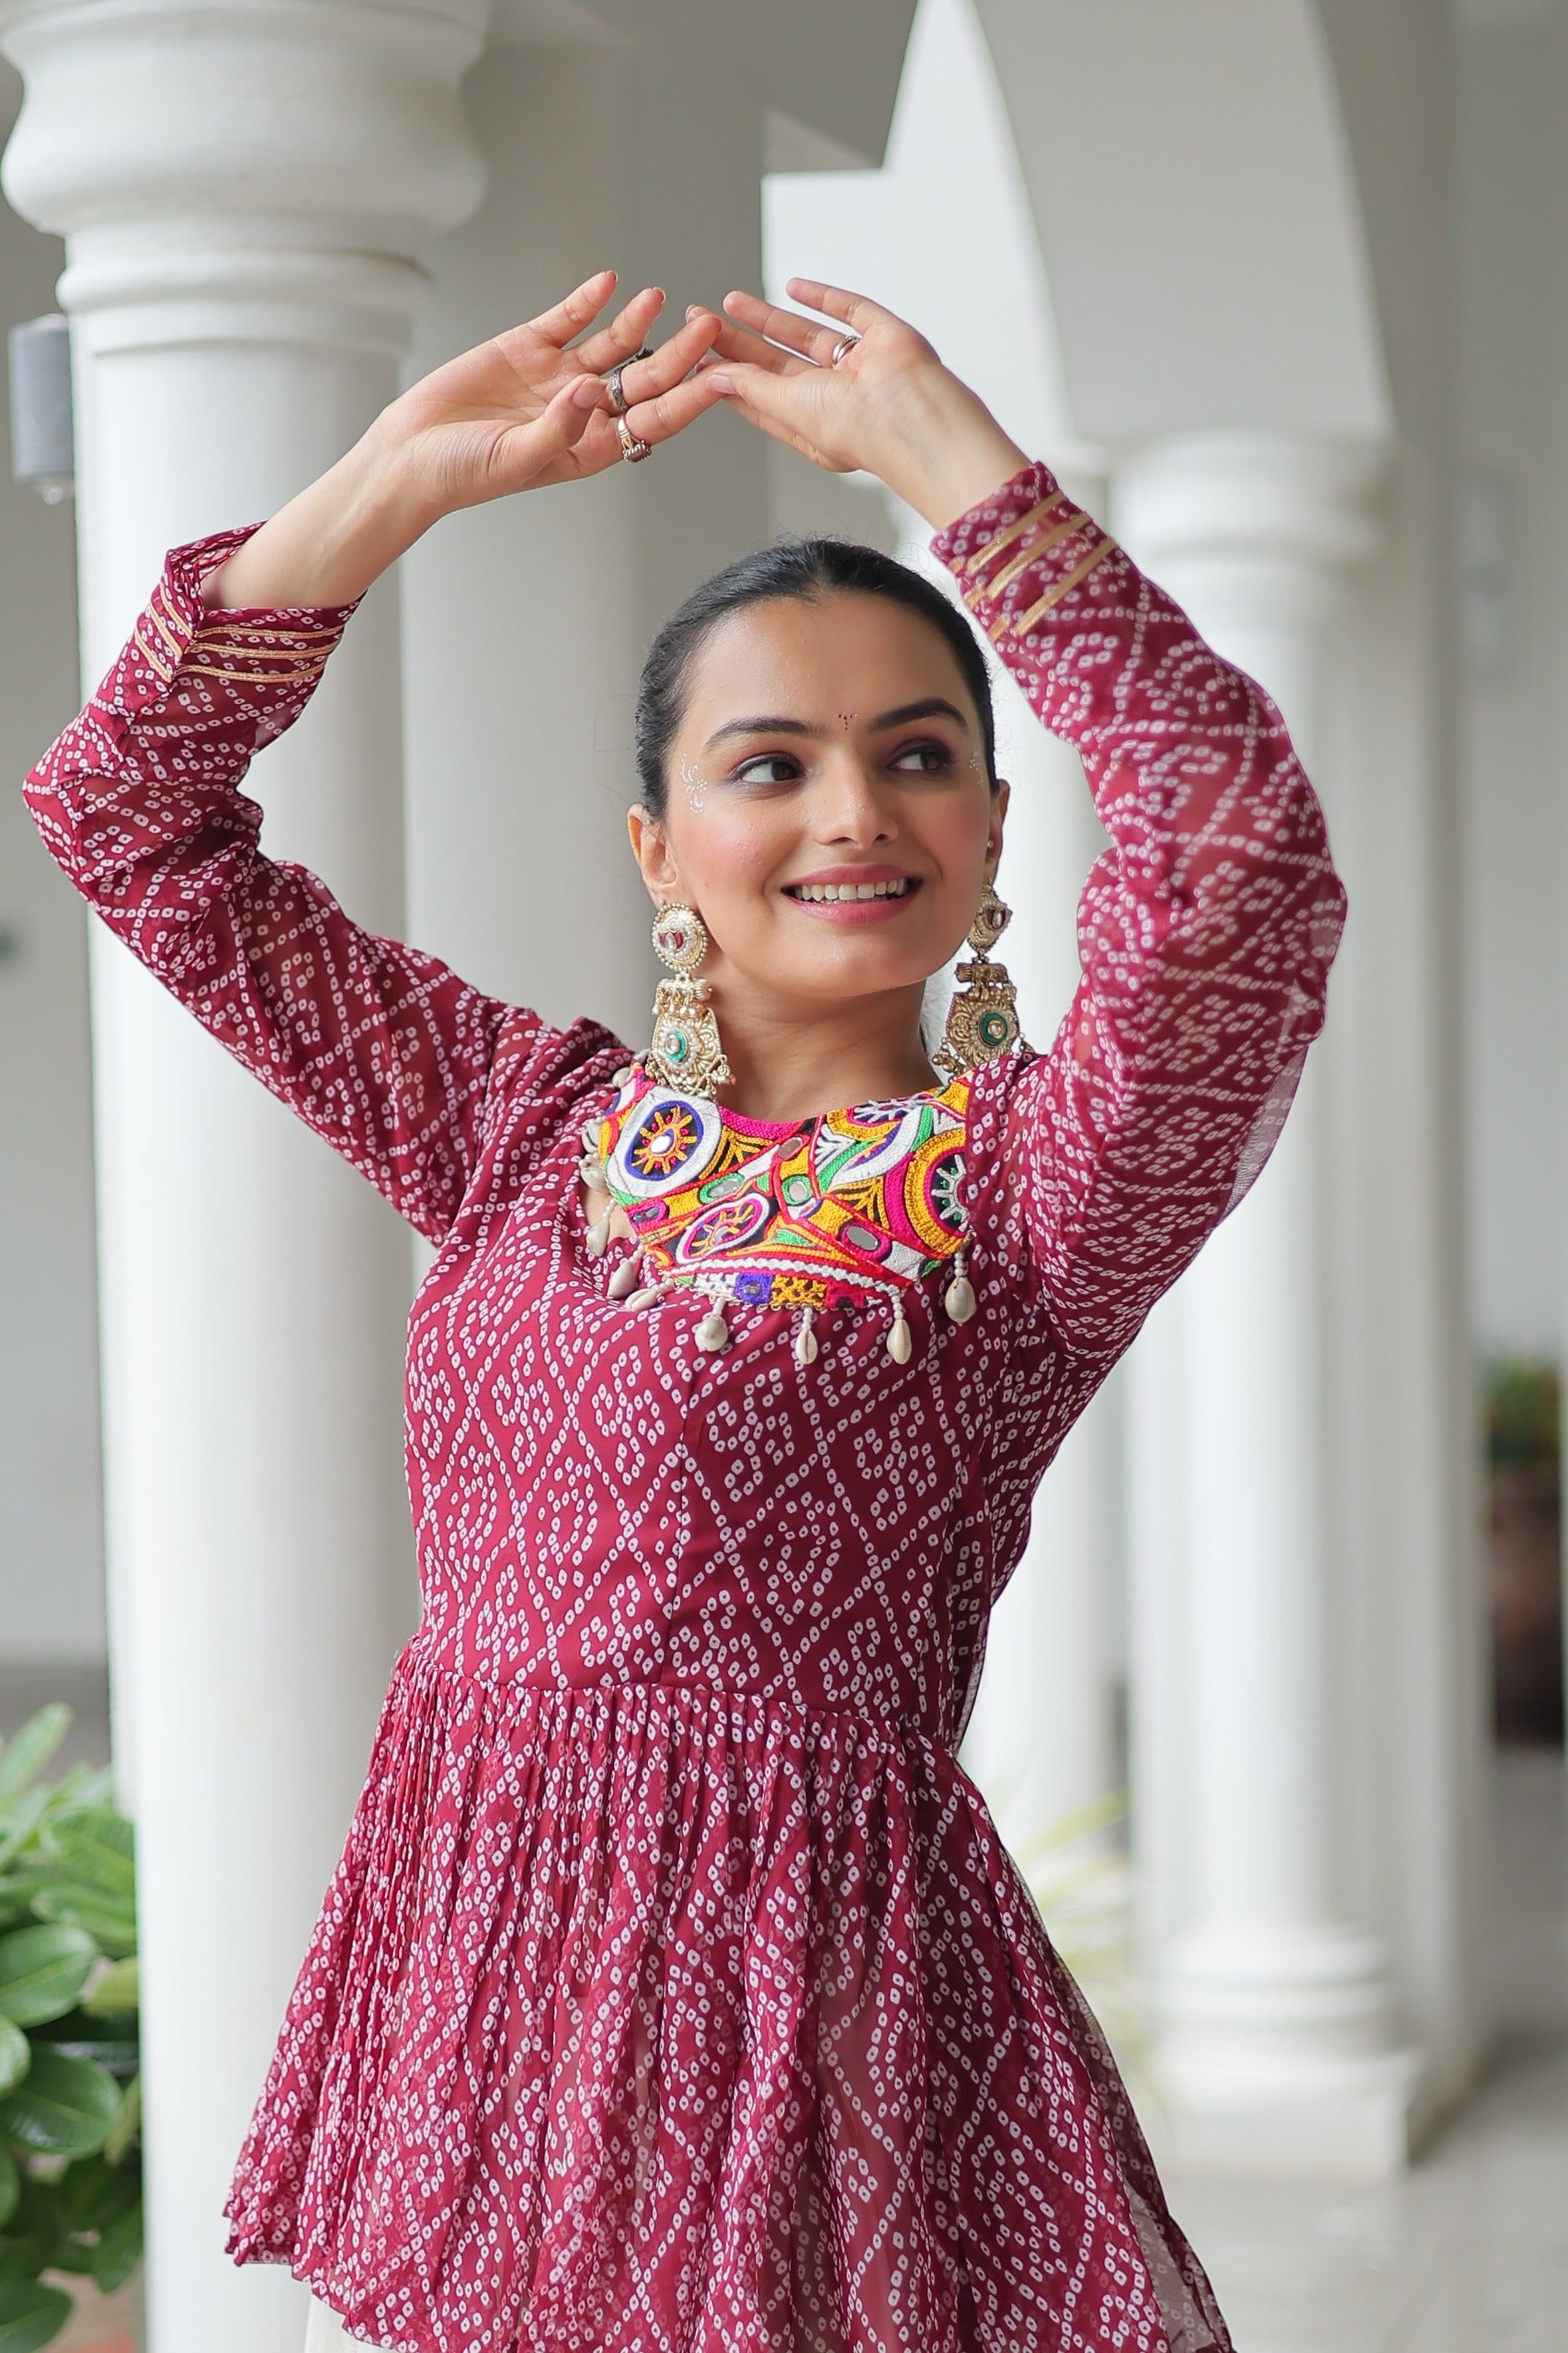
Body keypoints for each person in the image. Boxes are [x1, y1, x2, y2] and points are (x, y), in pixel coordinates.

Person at [26, 270, 1345, 2353]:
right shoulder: (516, 1126)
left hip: (798, 2059)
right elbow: (126, 815)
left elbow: (1241, 863)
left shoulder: (1033, 1190)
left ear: (993, 832)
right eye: (771, 762)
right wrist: (382, 487)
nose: (852, 812)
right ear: (660, 846)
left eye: (917, 756)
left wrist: (962, 477)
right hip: (481, 2006)